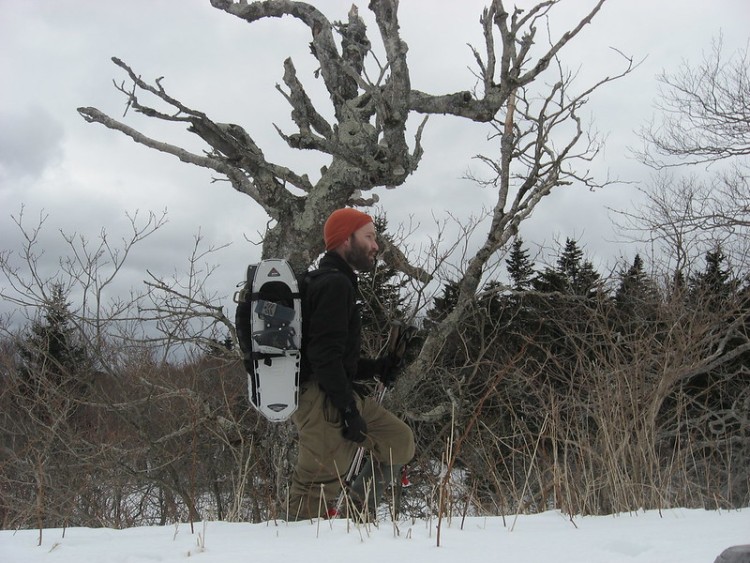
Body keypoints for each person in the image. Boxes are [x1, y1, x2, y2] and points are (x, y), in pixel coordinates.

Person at [288, 208, 415, 521]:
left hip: (334, 391)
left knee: (398, 442)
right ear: (347, 239)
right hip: (324, 400)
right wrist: (348, 411)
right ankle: (298, 549)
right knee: (318, 484)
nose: (376, 246)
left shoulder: (335, 281)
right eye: (369, 237)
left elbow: (332, 356)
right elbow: (322, 357)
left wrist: (375, 368)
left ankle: (357, 521)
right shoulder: (334, 285)